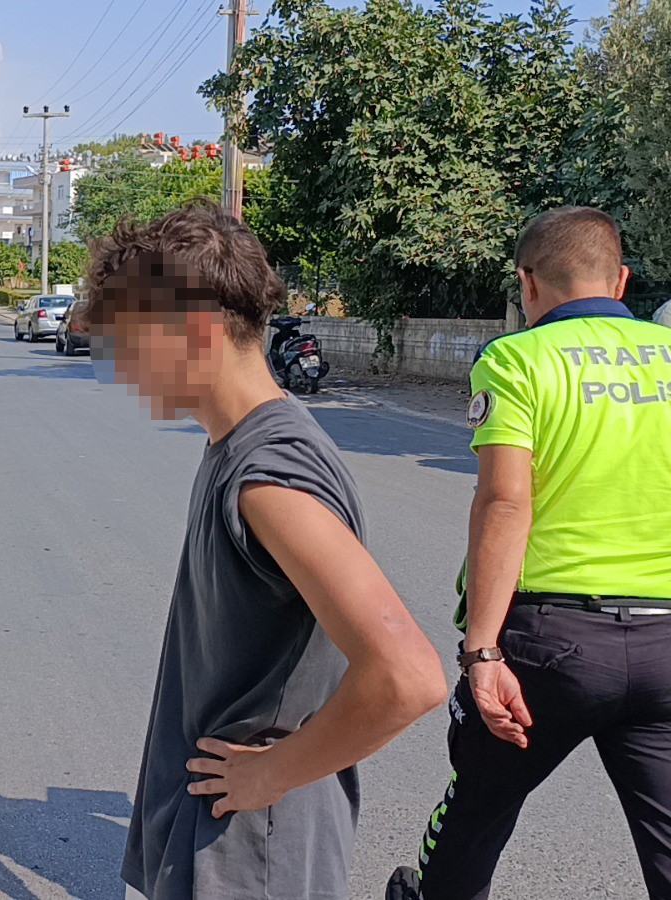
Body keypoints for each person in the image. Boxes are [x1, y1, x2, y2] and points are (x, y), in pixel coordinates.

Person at [85, 204, 447, 900]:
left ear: (194, 333)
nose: (123, 370)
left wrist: (270, 774)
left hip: (251, 858)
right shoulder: (240, 445)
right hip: (226, 840)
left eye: (130, 344)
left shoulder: (268, 475)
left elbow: (409, 676)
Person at [390, 207, 671, 900]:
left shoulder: (516, 360)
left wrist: (482, 652)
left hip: (553, 649)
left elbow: (506, 504)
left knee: (474, 820)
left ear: (528, 283)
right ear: (624, 278)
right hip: (666, 642)